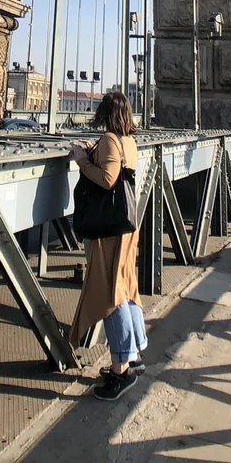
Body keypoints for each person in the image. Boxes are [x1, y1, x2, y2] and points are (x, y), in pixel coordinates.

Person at [68, 90, 148, 401]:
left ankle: (121, 371)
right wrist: (94, 154)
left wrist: (81, 161)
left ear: (107, 113)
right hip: (126, 226)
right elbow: (116, 169)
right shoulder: (129, 141)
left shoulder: (110, 139)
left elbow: (107, 179)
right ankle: (134, 353)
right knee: (125, 286)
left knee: (110, 293)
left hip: (110, 229)